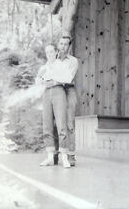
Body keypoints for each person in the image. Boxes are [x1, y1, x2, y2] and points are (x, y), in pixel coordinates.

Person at [45, 36, 78, 166]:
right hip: (56, 90)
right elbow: (46, 75)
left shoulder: (73, 61)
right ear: (58, 45)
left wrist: (54, 80)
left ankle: (71, 155)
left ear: (69, 46)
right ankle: (55, 155)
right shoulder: (53, 59)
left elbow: (68, 78)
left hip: (69, 90)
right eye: (61, 43)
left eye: (66, 44)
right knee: (54, 123)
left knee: (69, 122)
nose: (63, 46)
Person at [36, 44, 71, 168]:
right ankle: (50, 157)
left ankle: (64, 157)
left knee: (61, 125)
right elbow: (38, 82)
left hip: (58, 92)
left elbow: (68, 78)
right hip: (46, 93)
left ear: (56, 52)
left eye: (51, 51)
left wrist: (55, 80)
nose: (49, 54)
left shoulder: (61, 65)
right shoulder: (43, 68)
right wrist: (41, 79)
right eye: (47, 52)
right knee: (47, 125)